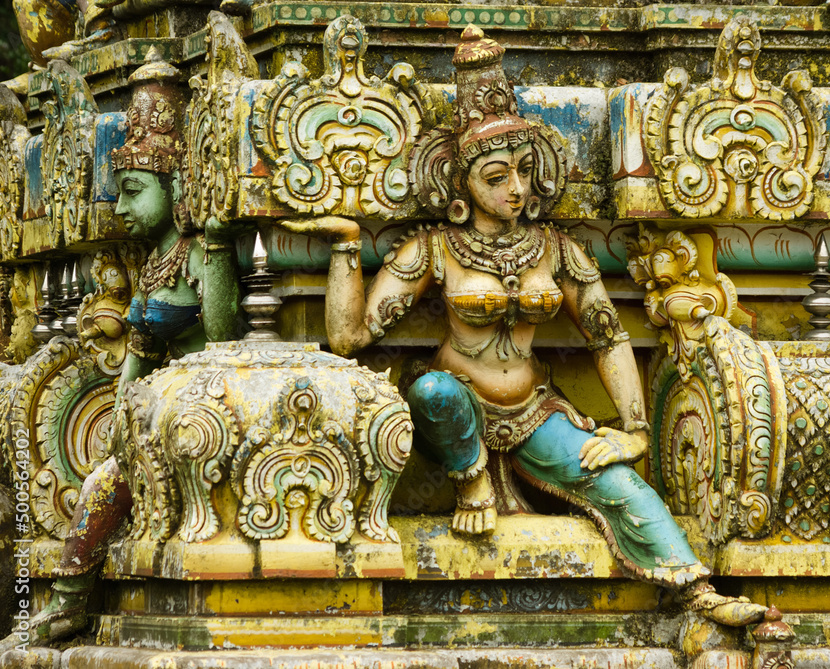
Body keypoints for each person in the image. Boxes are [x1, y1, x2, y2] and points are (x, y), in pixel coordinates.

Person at [279, 25, 765, 627]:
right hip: (457, 410)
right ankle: (474, 481)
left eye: (525, 171)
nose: (518, 189)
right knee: (432, 392)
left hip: (536, 411)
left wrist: (634, 431)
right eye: (497, 177)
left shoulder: (556, 250)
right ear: (462, 184)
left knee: (618, 484)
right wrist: (347, 247)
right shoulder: (436, 250)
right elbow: (349, 338)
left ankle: (697, 592)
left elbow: (607, 336)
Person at [0, 48, 240, 650]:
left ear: (176, 183)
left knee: (105, 483)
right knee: (101, 472)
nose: (122, 208)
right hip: (152, 408)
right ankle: (64, 598)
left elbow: (220, 337)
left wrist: (213, 246)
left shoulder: (195, 259)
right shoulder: (154, 265)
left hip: (205, 402)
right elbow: (135, 354)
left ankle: (69, 600)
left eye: (133, 191)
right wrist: (119, 419)